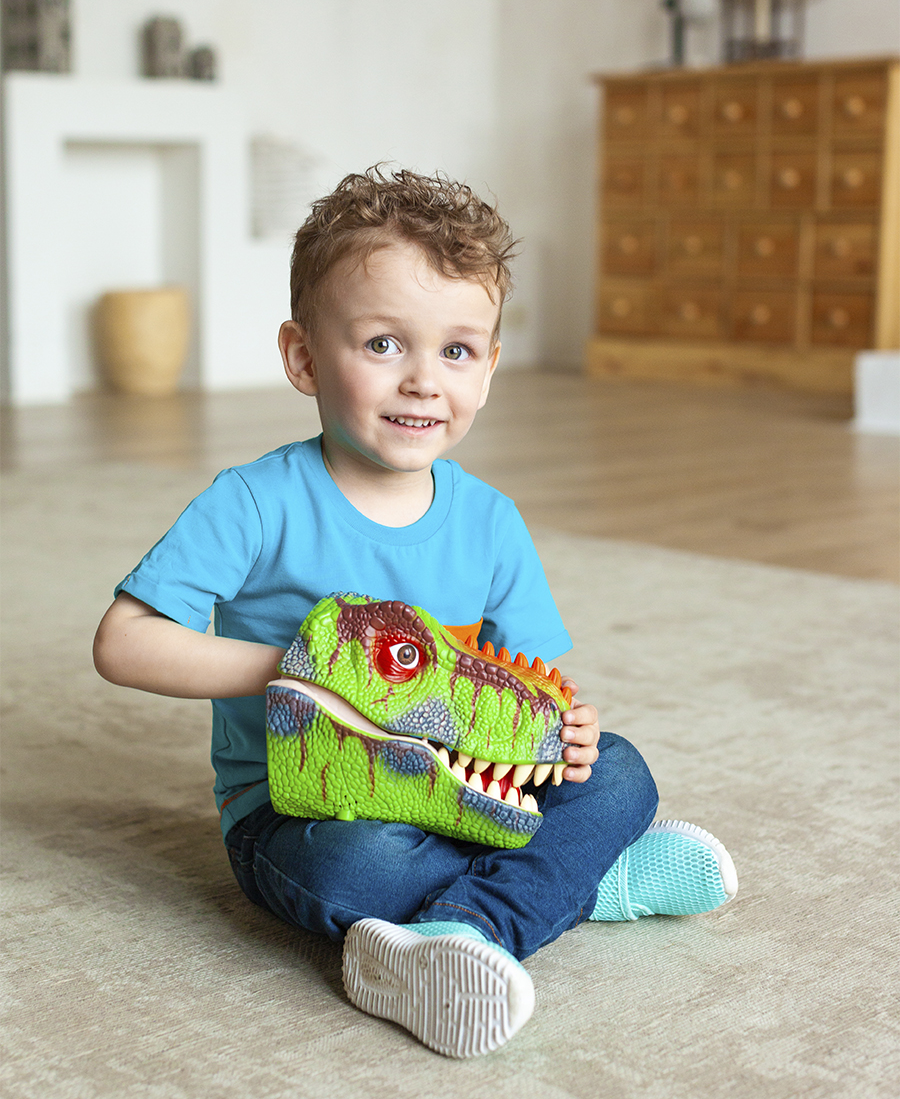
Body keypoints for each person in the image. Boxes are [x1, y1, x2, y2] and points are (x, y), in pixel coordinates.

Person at [93, 166, 737, 1058]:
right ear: (304, 357)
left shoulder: (491, 523)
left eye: (458, 351)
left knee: (622, 775)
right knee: (351, 866)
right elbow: (123, 644)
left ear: (491, 368)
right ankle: (575, 890)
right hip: (302, 811)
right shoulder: (253, 502)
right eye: (385, 344)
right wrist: (294, 671)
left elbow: (541, 687)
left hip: (471, 792)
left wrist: (574, 732)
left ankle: (463, 929)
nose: (424, 382)